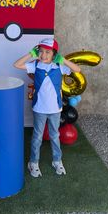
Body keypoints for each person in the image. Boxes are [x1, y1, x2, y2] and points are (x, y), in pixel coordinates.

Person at [13, 38, 81, 177]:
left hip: (55, 109)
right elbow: (16, 64)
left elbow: (77, 69)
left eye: (48, 52)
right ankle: (33, 163)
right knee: (37, 136)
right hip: (40, 109)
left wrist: (63, 60)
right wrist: (31, 54)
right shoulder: (36, 65)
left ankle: (57, 160)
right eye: (41, 51)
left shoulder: (59, 66)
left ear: (54, 54)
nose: (44, 55)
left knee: (55, 135)